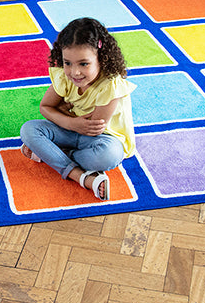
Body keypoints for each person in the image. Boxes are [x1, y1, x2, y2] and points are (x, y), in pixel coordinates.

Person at [20, 17, 135, 200]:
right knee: (29, 129)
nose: (75, 72)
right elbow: (45, 107)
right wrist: (69, 121)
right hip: (71, 129)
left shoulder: (110, 85)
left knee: (109, 155)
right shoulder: (66, 78)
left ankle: (53, 154)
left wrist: (62, 112)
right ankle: (81, 176)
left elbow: (93, 129)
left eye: (84, 64)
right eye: (67, 63)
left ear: (101, 58)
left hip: (101, 139)